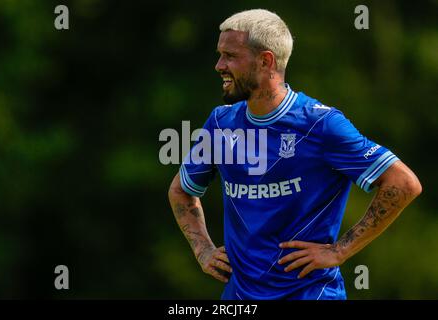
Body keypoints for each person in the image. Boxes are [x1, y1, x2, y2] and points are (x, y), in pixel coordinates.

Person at [167, 9, 422, 300]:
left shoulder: (321, 125)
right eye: (219, 54)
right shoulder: (221, 122)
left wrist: (340, 250)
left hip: (310, 293)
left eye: (230, 56)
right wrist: (203, 251)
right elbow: (181, 191)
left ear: (265, 61)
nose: (218, 65)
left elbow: (403, 183)